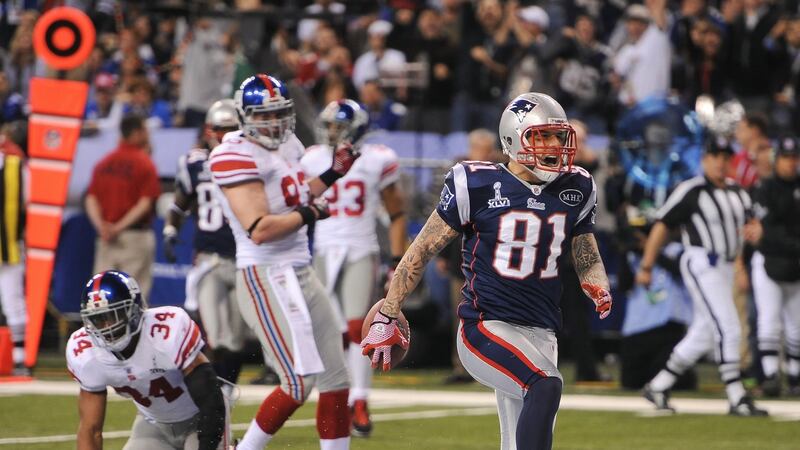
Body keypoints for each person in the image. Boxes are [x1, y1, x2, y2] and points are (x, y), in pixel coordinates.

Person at [363, 92, 613, 450]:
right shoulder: (476, 183)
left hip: (542, 330)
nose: (555, 145)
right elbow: (423, 247)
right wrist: (388, 309)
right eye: (542, 136)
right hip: (486, 326)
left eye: (559, 136)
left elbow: (584, 249)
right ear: (513, 138)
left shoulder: (577, 186)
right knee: (545, 385)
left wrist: (597, 284)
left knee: (519, 437)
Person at [210, 74, 358, 450]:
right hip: (264, 273)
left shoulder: (289, 144)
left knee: (336, 378)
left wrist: (332, 175)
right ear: (245, 117)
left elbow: (295, 195)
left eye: (279, 114)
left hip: (299, 268)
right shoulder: (233, 154)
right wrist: (312, 214)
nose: (274, 123)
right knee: (297, 382)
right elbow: (259, 228)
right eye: (264, 116)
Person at [637, 137, 767, 416]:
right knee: (729, 326)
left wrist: (755, 234)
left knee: (705, 333)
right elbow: (663, 224)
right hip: (701, 262)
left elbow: (750, 226)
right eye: (715, 156)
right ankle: (736, 395)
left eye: (725, 156)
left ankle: (658, 386)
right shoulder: (691, 189)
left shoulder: (738, 191)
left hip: (727, 266)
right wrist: (647, 266)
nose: (721, 161)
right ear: (704, 159)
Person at [300, 99, 407, 437]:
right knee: (332, 333)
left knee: (360, 326)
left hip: (361, 248)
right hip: (323, 249)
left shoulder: (378, 157)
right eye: (329, 125)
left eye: (339, 125)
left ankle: (360, 399)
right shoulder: (312, 157)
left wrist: (396, 261)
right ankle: (339, 397)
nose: (333, 132)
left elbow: (396, 212)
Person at [67, 270, 228, 450]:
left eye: (113, 316)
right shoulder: (86, 353)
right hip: (154, 424)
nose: (106, 327)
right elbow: (91, 429)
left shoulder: (165, 331)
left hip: (201, 417)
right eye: (98, 319)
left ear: (134, 310)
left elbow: (210, 399)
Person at [163, 99, 246, 390]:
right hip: (210, 258)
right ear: (209, 130)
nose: (224, 136)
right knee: (216, 335)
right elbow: (180, 201)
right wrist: (170, 229)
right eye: (220, 129)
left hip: (242, 258)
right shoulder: (195, 163)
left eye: (231, 129)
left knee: (236, 340)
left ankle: (227, 394)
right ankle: (217, 402)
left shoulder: (249, 160)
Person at [85, 114, 161, 297]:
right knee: (135, 297)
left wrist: (102, 227)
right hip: (134, 238)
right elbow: (145, 204)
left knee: (101, 296)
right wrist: (117, 228)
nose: (147, 133)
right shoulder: (144, 163)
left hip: (106, 238)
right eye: (144, 129)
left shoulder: (104, 162)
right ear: (136, 133)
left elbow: (91, 199)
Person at [750, 136, 800, 396]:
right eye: (787, 158)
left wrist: (779, 238)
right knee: (769, 319)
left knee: (797, 324)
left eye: (794, 158)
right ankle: (770, 375)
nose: (791, 164)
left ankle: (794, 378)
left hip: (794, 263)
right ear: (777, 160)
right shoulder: (765, 188)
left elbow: (771, 232)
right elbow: (764, 232)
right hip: (768, 260)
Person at [0, 152, 26, 375]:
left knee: (13, 302)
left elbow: (28, 205)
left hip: (9, 247)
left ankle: (20, 359)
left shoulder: (16, 166)